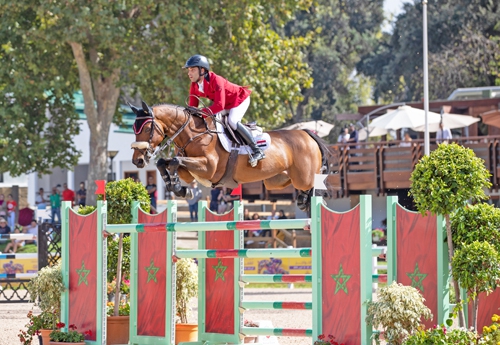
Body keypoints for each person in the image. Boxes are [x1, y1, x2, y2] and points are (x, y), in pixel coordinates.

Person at [183, 54, 265, 166]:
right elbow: (193, 107)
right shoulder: (194, 85)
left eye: (192, 69)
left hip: (239, 100)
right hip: (225, 104)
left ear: (202, 70)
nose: (189, 73)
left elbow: (219, 106)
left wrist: (202, 112)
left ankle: (257, 150)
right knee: (212, 122)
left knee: (232, 121)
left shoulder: (216, 80)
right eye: (188, 70)